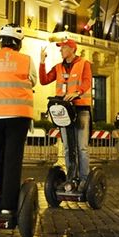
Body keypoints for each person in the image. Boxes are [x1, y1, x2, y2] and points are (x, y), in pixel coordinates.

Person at [0, 24, 37, 214]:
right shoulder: (26, 60)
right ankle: (7, 205)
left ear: (1, 40)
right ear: (18, 42)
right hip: (18, 115)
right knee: (12, 159)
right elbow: (33, 80)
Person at [40, 38, 92, 190]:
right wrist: (42, 62)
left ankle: (83, 180)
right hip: (64, 110)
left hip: (81, 109)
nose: (60, 50)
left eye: (62, 48)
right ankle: (71, 178)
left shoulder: (84, 64)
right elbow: (44, 80)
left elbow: (87, 82)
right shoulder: (58, 67)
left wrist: (77, 92)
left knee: (81, 147)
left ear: (71, 49)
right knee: (69, 147)